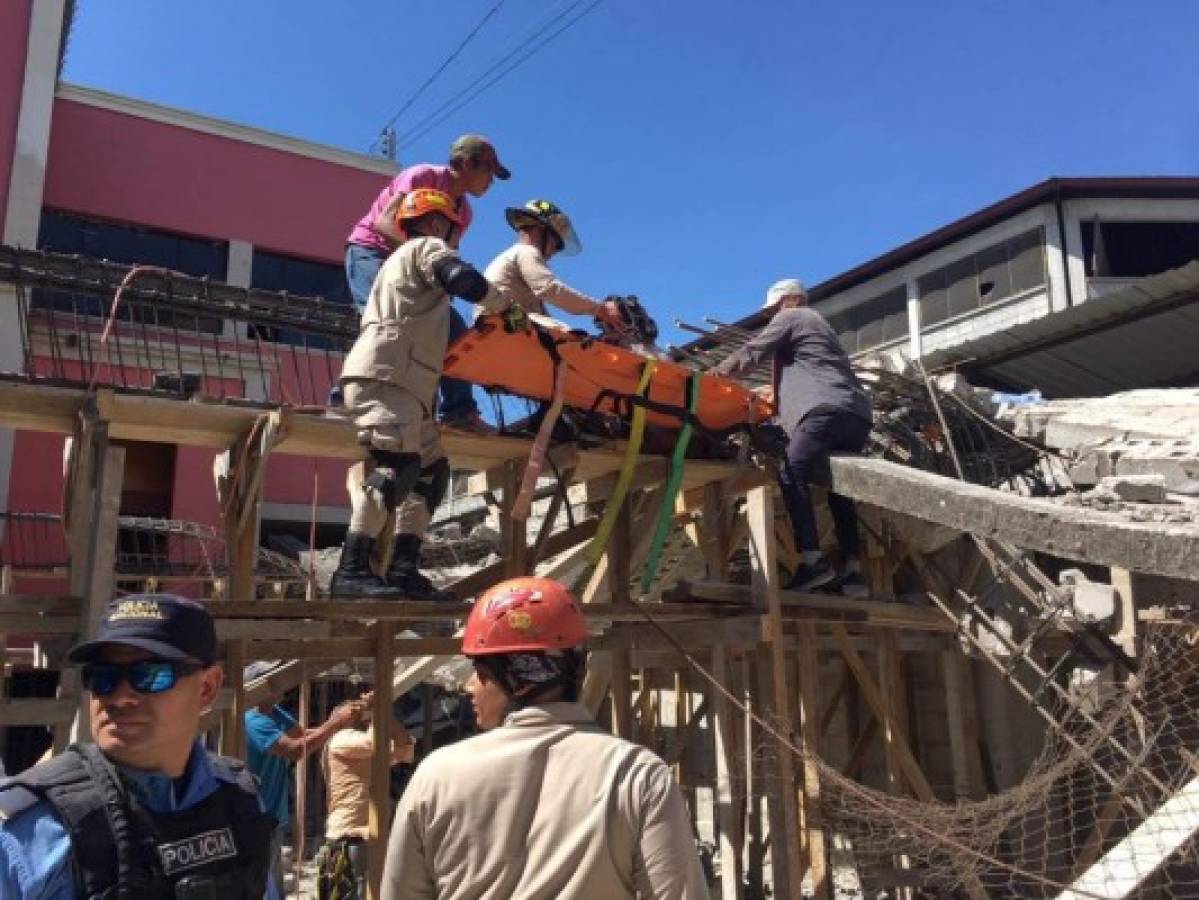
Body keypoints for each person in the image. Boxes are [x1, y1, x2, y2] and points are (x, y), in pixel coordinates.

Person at [380, 576, 708, 900]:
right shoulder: (637, 775)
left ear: (509, 679)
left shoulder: (437, 776)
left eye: (479, 673)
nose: (469, 687)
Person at [0, 594, 279, 899]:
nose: (119, 697)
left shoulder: (239, 803)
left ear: (207, 688)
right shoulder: (33, 833)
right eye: (102, 677)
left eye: (150, 676)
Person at [332, 188, 518, 600]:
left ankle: (402, 567)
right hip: (388, 377)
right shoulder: (424, 247)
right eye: (448, 227)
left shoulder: (403, 264)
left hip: (409, 386)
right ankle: (350, 572)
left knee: (431, 472)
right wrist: (505, 306)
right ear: (437, 223)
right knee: (394, 467)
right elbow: (463, 279)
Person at [713, 278, 872, 596]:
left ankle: (812, 560)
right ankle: (854, 572)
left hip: (825, 411)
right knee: (838, 487)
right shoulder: (821, 328)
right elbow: (813, 373)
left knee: (791, 470)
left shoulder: (794, 316)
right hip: (856, 416)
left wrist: (715, 375)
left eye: (774, 309)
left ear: (792, 300)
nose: (772, 316)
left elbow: (753, 350)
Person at [344, 134, 510, 433]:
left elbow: (447, 258)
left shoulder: (465, 213)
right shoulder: (422, 176)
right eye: (488, 171)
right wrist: (420, 257)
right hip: (373, 251)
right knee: (382, 320)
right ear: (467, 163)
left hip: (417, 265)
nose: (491, 182)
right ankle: (341, 401)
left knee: (453, 330)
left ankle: (460, 411)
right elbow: (384, 223)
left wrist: (438, 286)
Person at [245, 693, 361, 890]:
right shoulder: (254, 721)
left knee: (274, 888)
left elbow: (302, 735)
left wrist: (340, 725)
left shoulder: (273, 712)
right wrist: (335, 722)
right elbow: (295, 749)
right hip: (256, 819)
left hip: (273, 818)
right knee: (262, 888)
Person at [316, 692, 415, 900]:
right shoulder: (341, 739)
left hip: (364, 836)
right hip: (349, 835)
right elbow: (374, 743)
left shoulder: (362, 750)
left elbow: (405, 748)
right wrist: (376, 711)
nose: (357, 712)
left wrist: (382, 712)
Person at [483, 198, 625, 328]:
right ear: (540, 230)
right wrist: (600, 309)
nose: (555, 252)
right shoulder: (527, 252)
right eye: (556, 244)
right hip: (504, 326)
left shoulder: (515, 254)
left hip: (502, 324)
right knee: (571, 341)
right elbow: (550, 289)